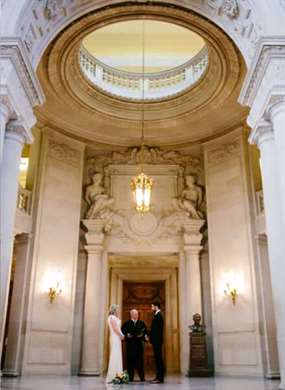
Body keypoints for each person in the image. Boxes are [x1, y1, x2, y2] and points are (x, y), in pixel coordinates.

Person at [122, 309, 148, 382]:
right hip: (130, 345)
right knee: (130, 362)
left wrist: (143, 336)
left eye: (137, 314)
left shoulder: (142, 323)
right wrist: (127, 336)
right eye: (135, 314)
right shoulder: (126, 323)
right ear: (131, 315)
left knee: (140, 362)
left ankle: (142, 377)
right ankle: (130, 377)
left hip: (139, 345)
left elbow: (145, 332)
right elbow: (123, 333)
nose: (136, 315)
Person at [105, 304, 124, 384]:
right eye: (117, 309)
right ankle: (113, 376)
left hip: (116, 338)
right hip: (115, 337)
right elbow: (115, 328)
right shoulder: (112, 317)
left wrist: (120, 335)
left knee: (117, 355)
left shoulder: (113, 317)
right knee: (114, 355)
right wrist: (121, 335)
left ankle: (118, 375)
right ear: (114, 310)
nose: (118, 310)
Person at [150, 302, 165, 383]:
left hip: (157, 341)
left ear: (156, 306)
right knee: (157, 359)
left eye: (152, 306)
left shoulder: (159, 315)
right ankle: (158, 377)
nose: (151, 307)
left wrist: (150, 336)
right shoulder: (157, 315)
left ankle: (160, 378)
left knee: (159, 359)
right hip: (156, 340)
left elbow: (157, 330)